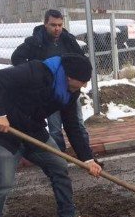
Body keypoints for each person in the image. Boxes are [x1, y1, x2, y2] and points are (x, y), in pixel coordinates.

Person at [0, 53, 102, 217]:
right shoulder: (35, 72)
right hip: (6, 134)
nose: (78, 89)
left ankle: (68, 216)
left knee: (59, 166)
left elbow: (72, 125)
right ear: (68, 76)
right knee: (3, 182)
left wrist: (87, 158)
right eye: (77, 84)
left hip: (33, 131)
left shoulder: (70, 92)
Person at [11, 9, 90, 153]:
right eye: (53, 25)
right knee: (55, 127)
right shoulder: (35, 41)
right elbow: (16, 58)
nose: (57, 28)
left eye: (60, 25)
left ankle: (87, 156)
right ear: (45, 24)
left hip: (70, 90)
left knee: (77, 124)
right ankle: (59, 158)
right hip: (49, 92)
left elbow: (82, 60)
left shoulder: (69, 40)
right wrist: (33, 75)